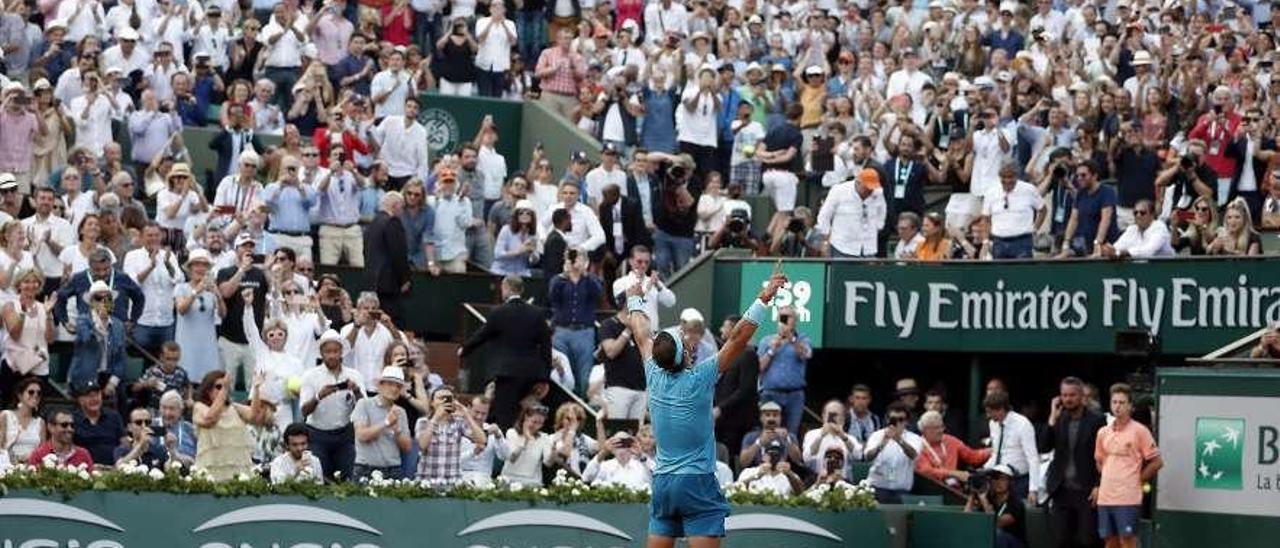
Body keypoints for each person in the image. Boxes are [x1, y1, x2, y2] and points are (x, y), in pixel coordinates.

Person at [620, 270, 785, 548]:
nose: (690, 344)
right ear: (684, 355)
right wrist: (764, 297)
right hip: (696, 482)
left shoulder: (653, 370)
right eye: (686, 343)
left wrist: (635, 298)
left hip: (664, 483)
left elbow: (639, 332)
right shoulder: (701, 377)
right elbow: (737, 339)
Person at [461, 275, 551, 430]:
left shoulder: (499, 312)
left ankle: (504, 445)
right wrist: (545, 376)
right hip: (531, 374)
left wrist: (465, 349)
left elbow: (483, 334)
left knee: (505, 414)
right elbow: (546, 345)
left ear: (505, 288)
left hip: (506, 373)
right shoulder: (537, 313)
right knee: (525, 414)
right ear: (522, 290)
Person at [1040, 377, 1106, 548]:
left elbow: (1104, 456)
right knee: (1061, 540)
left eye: (1072, 395)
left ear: (1082, 396)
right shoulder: (1060, 419)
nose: (1068, 399)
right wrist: (1052, 417)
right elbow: (1044, 446)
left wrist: (1099, 484)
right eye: (1064, 395)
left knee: (1086, 540)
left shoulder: (1096, 420)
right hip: (1061, 489)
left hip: (1086, 489)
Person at [1095, 383, 1162, 548]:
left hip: (1128, 498)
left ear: (1130, 406)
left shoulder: (1140, 431)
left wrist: (1136, 480)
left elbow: (1157, 462)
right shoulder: (1103, 432)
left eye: (1122, 402)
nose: (1117, 406)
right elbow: (1099, 460)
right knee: (1109, 541)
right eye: (1115, 402)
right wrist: (1108, 479)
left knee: (1127, 541)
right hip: (1105, 498)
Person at [299, 330, 366, 482]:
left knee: (347, 478)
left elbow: (364, 407)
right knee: (319, 478)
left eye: (335, 351)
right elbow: (303, 411)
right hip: (317, 435)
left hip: (345, 435)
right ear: (321, 353)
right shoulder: (310, 376)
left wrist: (356, 391)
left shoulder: (354, 375)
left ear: (341, 352)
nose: (332, 355)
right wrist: (318, 397)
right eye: (328, 351)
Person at [193, 370, 269, 481]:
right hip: (211, 470)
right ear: (208, 390)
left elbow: (254, 416)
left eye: (225, 386)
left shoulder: (234, 408)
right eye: (218, 386)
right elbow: (210, 418)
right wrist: (224, 389)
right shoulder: (199, 407)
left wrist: (256, 389)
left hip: (237, 469)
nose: (223, 389)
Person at [123, 223, 184, 358]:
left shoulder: (170, 256)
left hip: (166, 321)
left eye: (156, 235)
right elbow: (131, 284)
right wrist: (151, 266)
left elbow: (179, 280)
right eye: (149, 235)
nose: (153, 238)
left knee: (164, 363)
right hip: (142, 321)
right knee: (140, 362)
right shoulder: (132, 256)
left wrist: (168, 265)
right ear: (142, 237)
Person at [549, 248, 603, 395]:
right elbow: (552, 296)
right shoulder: (558, 280)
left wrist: (585, 274)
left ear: (586, 262)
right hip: (561, 331)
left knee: (584, 373)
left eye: (577, 258)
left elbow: (598, 294)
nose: (574, 262)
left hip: (584, 332)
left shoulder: (591, 280)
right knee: (561, 370)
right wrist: (564, 275)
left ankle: (582, 404)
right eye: (571, 258)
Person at [756, 305, 810, 436]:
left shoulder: (803, 340)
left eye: (788, 317)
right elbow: (759, 368)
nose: (784, 319)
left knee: (791, 434)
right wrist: (771, 350)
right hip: (770, 394)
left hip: (794, 395)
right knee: (769, 432)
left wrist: (791, 338)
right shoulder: (766, 341)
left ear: (795, 320)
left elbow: (805, 355)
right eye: (782, 317)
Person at [351, 366, 413, 481]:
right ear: (380, 385)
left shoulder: (400, 412)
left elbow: (407, 447)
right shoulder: (364, 404)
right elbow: (361, 435)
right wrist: (386, 423)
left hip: (393, 469)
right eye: (390, 384)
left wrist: (397, 430)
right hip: (365, 468)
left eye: (398, 386)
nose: (394, 389)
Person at [417, 385, 486, 486]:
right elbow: (422, 445)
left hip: (452, 483)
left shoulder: (459, 423)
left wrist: (466, 414)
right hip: (427, 482)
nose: (444, 402)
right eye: (441, 398)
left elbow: (482, 440)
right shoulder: (423, 422)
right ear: (432, 402)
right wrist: (436, 418)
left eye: (448, 399)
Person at [67, 281, 127, 396]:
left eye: (108, 298)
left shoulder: (118, 325)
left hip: (107, 376)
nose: (104, 301)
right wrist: (99, 321)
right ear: (92, 302)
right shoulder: (83, 320)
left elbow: (121, 358)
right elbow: (87, 339)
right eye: (99, 298)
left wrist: (112, 383)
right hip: (85, 377)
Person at [983, 390, 1043, 504]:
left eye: (990, 412)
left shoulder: (1023, 424)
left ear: (1001, 409)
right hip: (998, 480)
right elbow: (996, 453)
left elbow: (1033, 458)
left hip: (1018, 481)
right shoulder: (993, 424)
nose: (988, 416)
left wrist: (1033, 489)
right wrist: (984, 469)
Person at [2, 268, 54, 388]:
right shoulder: (10, 306)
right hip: (15, 368)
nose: (31, 285)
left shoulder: (44, 307)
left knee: (37, 405)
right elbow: (15, 335)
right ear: (19, 284)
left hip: (40, 368)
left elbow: (50, 339)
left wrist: (48, 315)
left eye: (35, 281)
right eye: (26, 281)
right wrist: (23, 313)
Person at [983, 160, 1046, 259]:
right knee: (1000, 274)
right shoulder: (991, 192)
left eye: (1010, 177)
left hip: (1023, 242)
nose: (1007, 180)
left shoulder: (1029, 189)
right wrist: (986, 242)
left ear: (1016, 176)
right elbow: (986, 218)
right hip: (999, 242)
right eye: (1004, 177)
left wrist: (1035, 229)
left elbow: (1042, 210)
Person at [864, 402, 925, 503]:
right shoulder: (877, 435)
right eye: (893, 419)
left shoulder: (915, 438)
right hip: (877, 488)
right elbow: (868, 457)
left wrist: (899, 440)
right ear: (887, 420)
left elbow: (913, 455)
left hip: (901, 491)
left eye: (900, 420)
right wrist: (881, 444)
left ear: (907, 422)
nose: (896, 423)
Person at [817, 169, 886, 257]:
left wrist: (878, 226)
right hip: (843, 246)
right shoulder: (839, 190)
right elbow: (824, 216)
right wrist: (826, 238)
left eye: (872, 188)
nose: (870, 191)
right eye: (867, 188)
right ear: (858, 183)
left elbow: (882, 211)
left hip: (868, 247)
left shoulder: (878, 192)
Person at [915, 410, 991, 489]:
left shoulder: (951, 440)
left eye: (942, 426)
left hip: (953, 489)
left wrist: (991, 451)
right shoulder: (917, 445)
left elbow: (972, 456)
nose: (941, 431)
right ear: (924, 430)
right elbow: (926, 471)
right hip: (931, 489)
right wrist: (955, 474)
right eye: (936, 428)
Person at [1059, 161, 1119, 258]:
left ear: (1094, 176)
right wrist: (1066, 242)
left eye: (1083, 175)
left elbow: (1105, 219)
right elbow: (1074, 219)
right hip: (1084, 243)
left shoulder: (1107, 192)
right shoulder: (1080, 193)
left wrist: (1098, 243)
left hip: (1105, 245)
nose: (1079, 178)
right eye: (1077, 176)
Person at [965, 463, 1028, 548]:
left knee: (996, 533)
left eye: (1002, 479)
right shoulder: (990, 499)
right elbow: (966, 519)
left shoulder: (1015, 502)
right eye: (995, 478)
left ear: (1010, 482)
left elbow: (997, 523)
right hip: (995, 541)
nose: (998, 482)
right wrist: (972, 496)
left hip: (1014, 544)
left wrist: (984, 500)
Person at [459, 396, 509, 486]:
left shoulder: (492, 429)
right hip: (461, 475)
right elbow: (454, 462)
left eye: (484, 414)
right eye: (477, 412)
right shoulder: (458, 428)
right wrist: (473, 452)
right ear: (469, 409)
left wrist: (499, 437)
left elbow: (504, 456)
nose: (479, 417)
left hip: (483, 478)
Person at [802, 400, 862, 473]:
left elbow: (858, 456)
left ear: (843, 418)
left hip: (842, 481)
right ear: (823, 416)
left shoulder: (850, 438)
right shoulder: (812, 434)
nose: (833, 418)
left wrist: (843, 436)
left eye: (836, 415)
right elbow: (806, 459)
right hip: (818, 479)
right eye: (830, 414)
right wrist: (821, 436)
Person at [500, 403, 552, 486]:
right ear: (526, 418)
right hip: (509, 479)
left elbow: (548, 463)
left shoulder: (544, 437)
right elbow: (512, 458)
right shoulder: (512, 433)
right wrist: (525, 439)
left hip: (533, 482)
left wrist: (554, 452)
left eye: (540, 423)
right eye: (534, 422)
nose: (537, 426)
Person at [27, 409, 93, 470]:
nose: (69, 429)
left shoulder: (83, 455)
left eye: (72, 425)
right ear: (50, 427)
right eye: (64, 425)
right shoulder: (38, 455)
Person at [584, 430, 652, 489]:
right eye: (617, 444)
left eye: (625, 444)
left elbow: (658, 476)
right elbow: (586, 477)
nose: (622, 449)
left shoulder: (642, 465)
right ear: (612, 449)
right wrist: (603, 452)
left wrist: (641, 455)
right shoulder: (605, 466)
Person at [736, 438, 805, 496]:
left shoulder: (790, 475)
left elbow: (801, 494)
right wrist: (757, 475)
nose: (773, 458)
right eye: (770, 454)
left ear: (783, 458)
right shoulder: (749, 472)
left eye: (777, 455)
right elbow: (736, 490)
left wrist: (789, 474)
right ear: (763, 456)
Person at [2, 378, 45, 465]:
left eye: (39, 393)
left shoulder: (40, 422)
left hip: (32, 469)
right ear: (20, 395)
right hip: (8, 468)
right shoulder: (6, 415)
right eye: (31, 392)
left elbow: (42, 453)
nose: (35, 395)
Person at [157, 390, 196, 467]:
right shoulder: (151, 427)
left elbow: (194, 461)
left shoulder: (189, 429)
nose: (167, 413)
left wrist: (174, 453)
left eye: (171, 409)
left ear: (180, 411)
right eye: (164, 408)